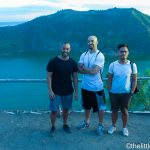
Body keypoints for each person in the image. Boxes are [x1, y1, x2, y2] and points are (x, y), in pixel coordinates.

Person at [46, 42, 78, 137]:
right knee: (54, 110)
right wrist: (50, 90)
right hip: (55, 91)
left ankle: (65, 124)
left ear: (70, 50)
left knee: (66, 109)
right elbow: (48, 77)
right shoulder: (53, 61)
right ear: (61, 49)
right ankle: (53, 126)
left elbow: (75, 78)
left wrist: (76, 91)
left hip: (68, 91)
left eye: (67, 49)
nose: (65, 50)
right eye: (64, 48)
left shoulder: (72, 62)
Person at [77, 35, 106, 135]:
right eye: (88, 41)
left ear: (97, 42)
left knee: (100, 108)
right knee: (87, 107)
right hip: (85, 87)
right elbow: (78, 69)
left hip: (97, 87)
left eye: (92, 41)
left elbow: (94, 71)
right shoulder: (83, 54)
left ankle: (101, 125)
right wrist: (88, 70)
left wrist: (84, 69)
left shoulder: (100, 55)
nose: (90, 43)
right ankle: (87, 122)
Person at [107, 44, 137, 137]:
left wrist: (132, 91)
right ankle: (113, 126)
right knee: (114, 110)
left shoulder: (132, 65)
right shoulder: (112, 65)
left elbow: (135, 79)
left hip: (126, 93)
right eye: (121, 51)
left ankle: (124, 128)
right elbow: (109, 79)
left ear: (128, 53)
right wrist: (109, 90)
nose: (123, 53)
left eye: (125, 51)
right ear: (117, 53)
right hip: (114, 92)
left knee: (125, 111)